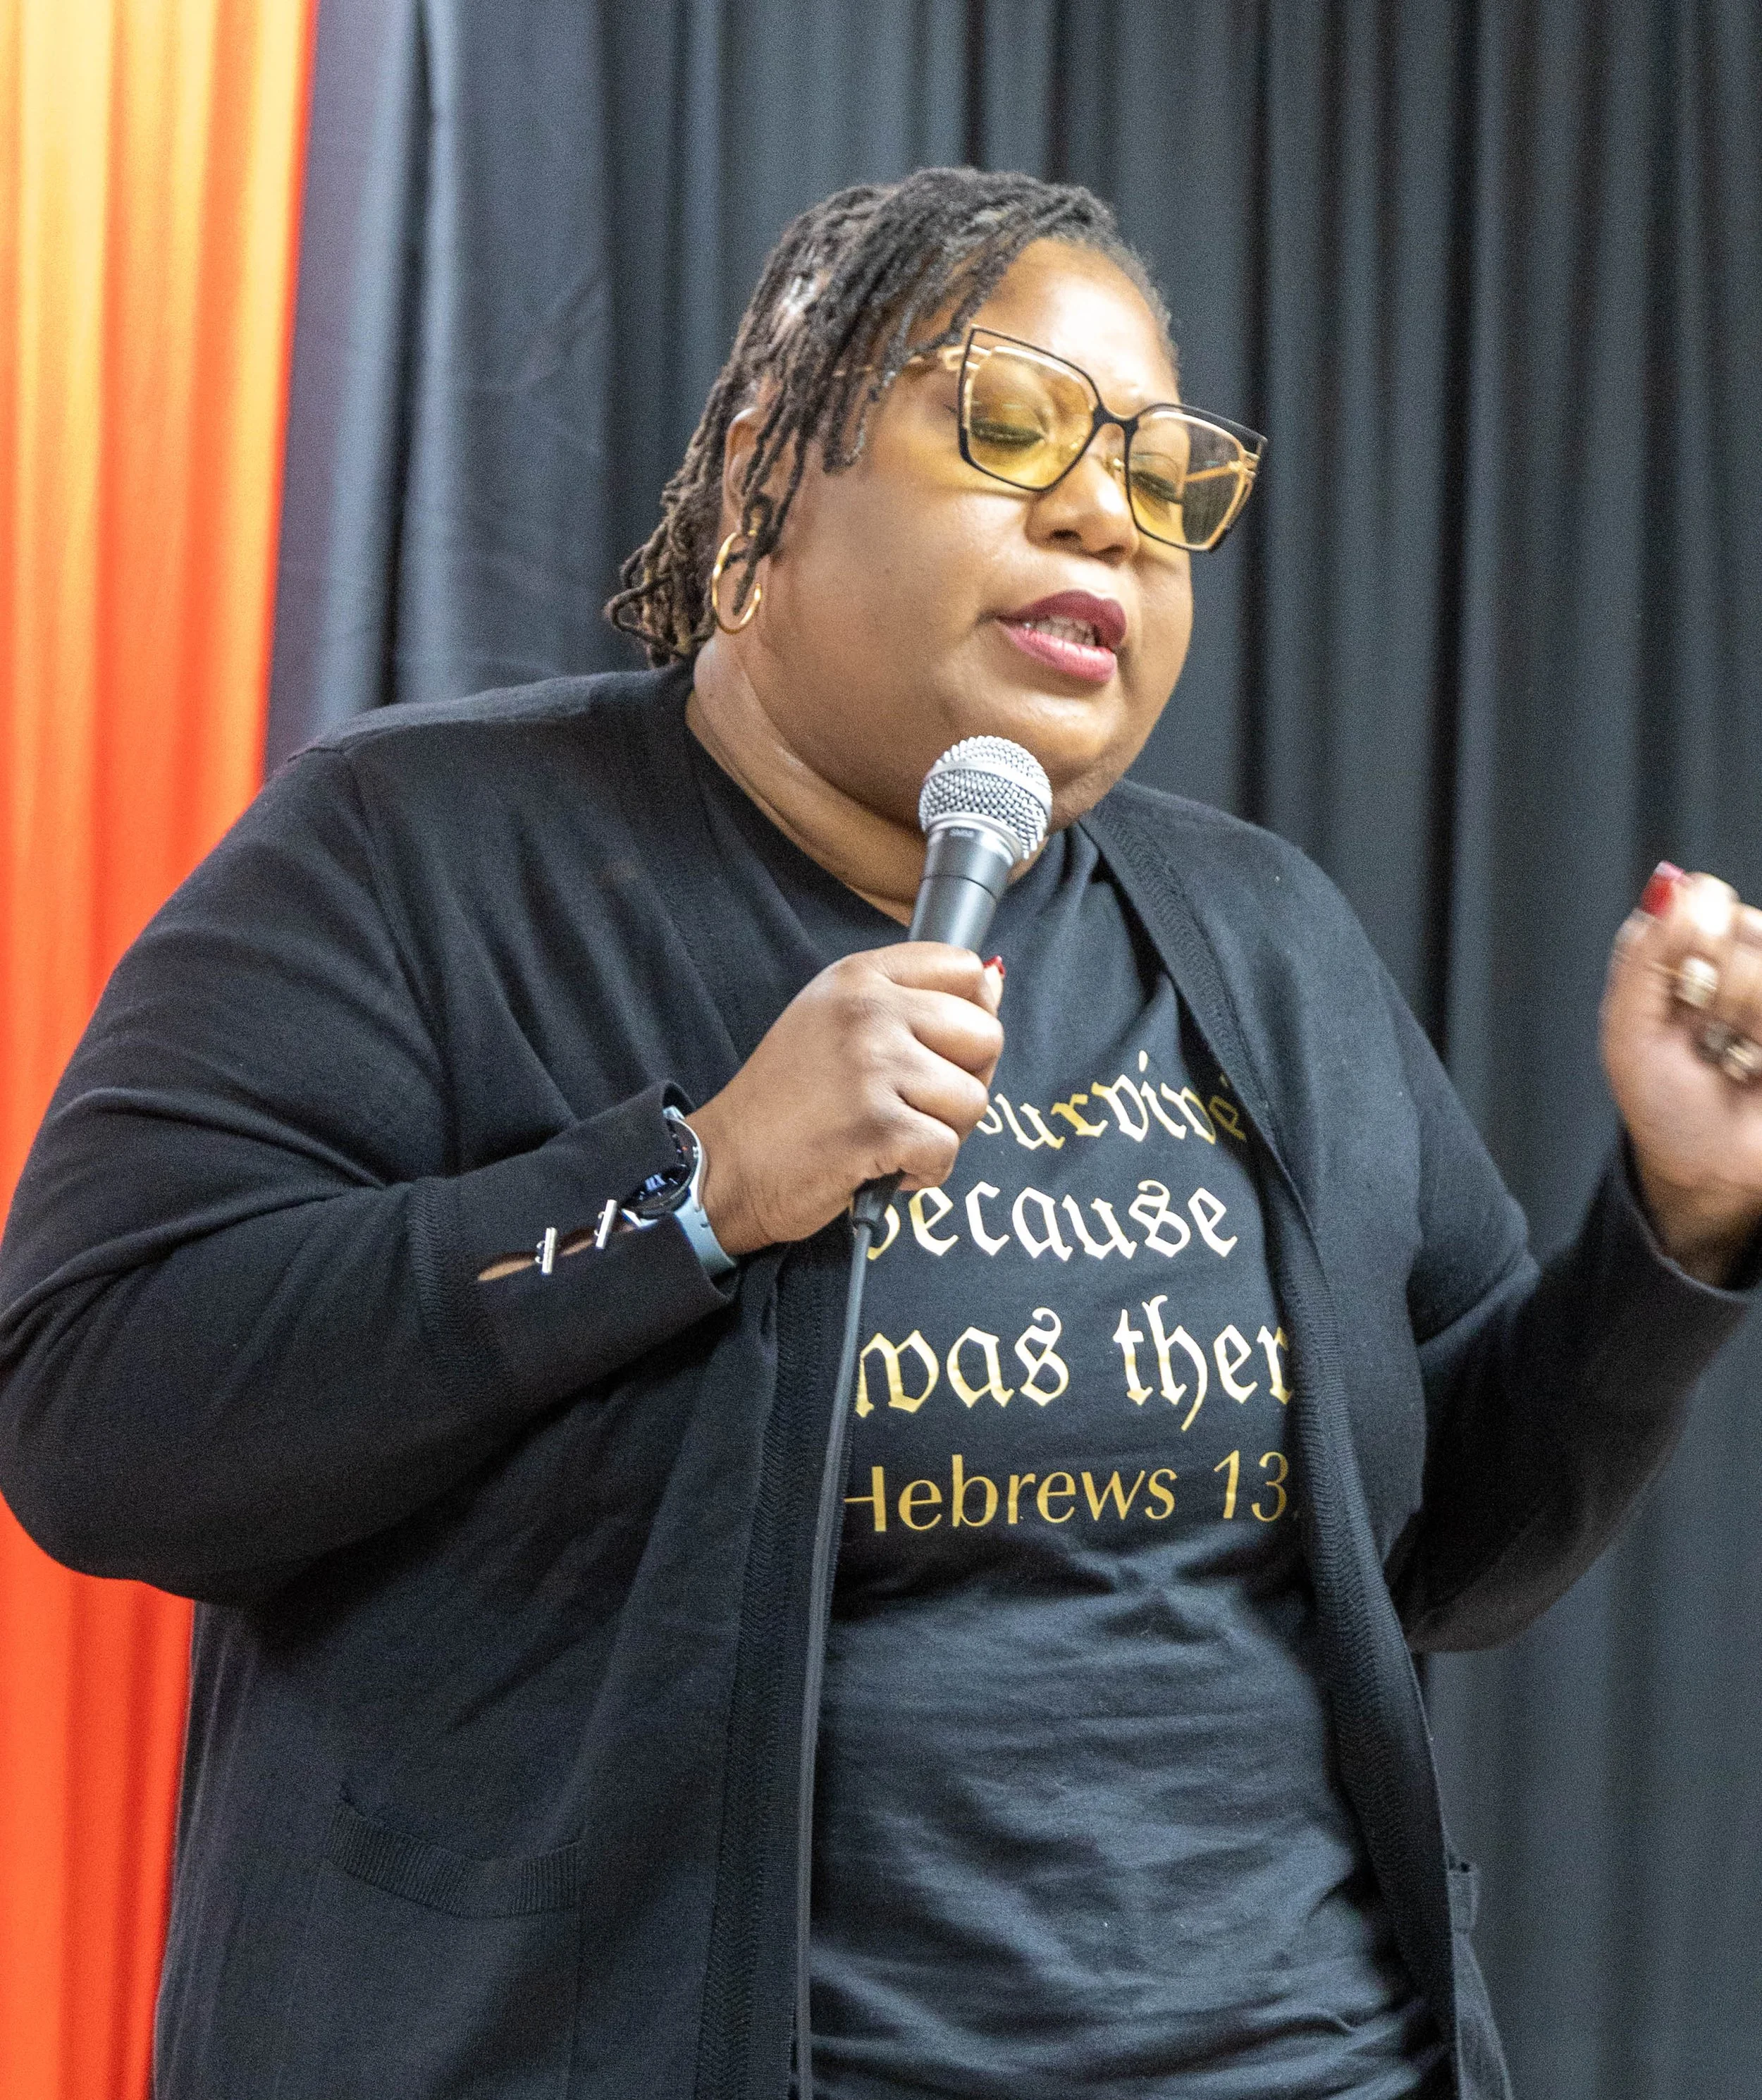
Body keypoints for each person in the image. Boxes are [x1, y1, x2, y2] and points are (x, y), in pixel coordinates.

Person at [0, 168, 1758, 2100]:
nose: (1107, 510)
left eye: (1167, 481)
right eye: (1010, 425)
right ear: (766, 473)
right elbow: (101, 1421)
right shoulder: (414, 856)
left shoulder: (1255, 934)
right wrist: (697, 1188)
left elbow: (1446, 1550)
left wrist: (1670, 1228)